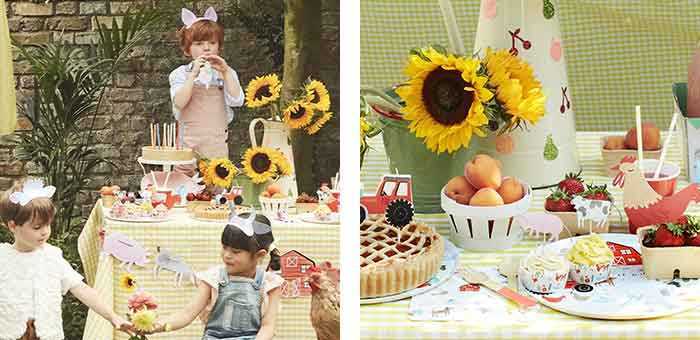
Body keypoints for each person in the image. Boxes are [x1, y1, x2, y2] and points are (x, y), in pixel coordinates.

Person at [0, 178, 133, 340]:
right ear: (12, 226)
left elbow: (81, 289)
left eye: (47, 225)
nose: (44, 232)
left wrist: (112, 316)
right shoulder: (3, 259)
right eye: (37, 227)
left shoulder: (51, 257)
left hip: (47, 334)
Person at [148, 210, 282, 340]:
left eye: (235, 251)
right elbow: (187, 314)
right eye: (224, 247)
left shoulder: (270, 284)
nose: (227, 255)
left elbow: (268, 327)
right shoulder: (212, 278)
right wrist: (154, 326)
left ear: (260, 255)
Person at [170, 7, 244, 175]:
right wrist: (193, 75)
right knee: (183, 188)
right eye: (199, 44)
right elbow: (179, 102)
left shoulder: (227, 72)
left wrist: (225, 72)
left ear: (219, 47)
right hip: (187, 147)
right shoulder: (180, 74)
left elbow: (237, 100)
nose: (206, 48)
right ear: (187, 49)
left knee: (216, 191)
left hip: (216, 145)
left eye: (212, 43)